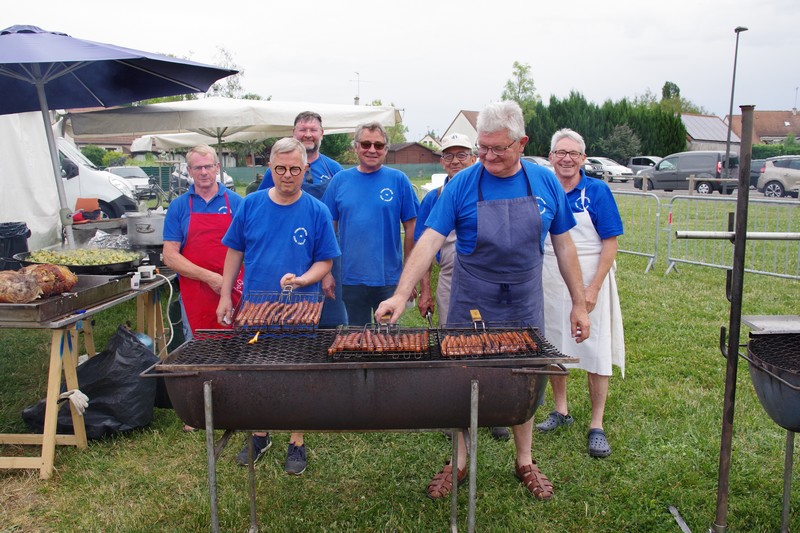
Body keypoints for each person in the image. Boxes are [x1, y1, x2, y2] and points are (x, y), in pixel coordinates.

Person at [375, 101, 590, 502]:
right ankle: (459, 460)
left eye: (498, 148)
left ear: (522, 143)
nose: (488, 157)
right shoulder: (462, 184)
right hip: (472, 295)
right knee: (461, 376)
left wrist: (579, 303)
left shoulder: (544, 183)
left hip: (524, 297)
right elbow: (431, 240)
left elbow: (563, 245)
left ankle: (524, 460)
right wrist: (402, 294)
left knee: (524, 377)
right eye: (482, 148)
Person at [217, 138, 341, 475]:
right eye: (281, 169)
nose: (288, 175)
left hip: (300, 309)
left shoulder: (317, 210)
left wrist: (303, 280)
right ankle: (260, 433)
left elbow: (325, 262)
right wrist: (226, 295)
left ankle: (296, 439)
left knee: (298, 374)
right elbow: (234, 252)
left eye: (295, 169)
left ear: (306, 170)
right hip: (255, 306)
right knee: (257, 372)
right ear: (270, 169)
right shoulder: (252, 204)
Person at [535, 129, 625, 458]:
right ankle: (560, 410)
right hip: (549, 276)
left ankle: (596, 424)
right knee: (554, 344)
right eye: (561, 152)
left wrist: (593, 288)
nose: (567, 159)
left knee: (595, 348)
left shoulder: (597, 191)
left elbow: (610, 243)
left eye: (574, 153)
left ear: (583, 159)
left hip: (589, 279)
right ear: (550, 156)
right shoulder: (542, 189)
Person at [414, 133, 510, 442]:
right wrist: (425, 291)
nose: (455, 161)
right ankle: (456, 412)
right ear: (441, 161)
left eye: (461, 154)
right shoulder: (433, 197)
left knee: (493, 343)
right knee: (451, 345)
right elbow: (424, 249)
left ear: (473, 157)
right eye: (448, 156)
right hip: (450, 280)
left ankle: (495, 412)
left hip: (490, 281)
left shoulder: (489, 191)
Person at [322, 121, 419, 326]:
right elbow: (327, 231)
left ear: (386, 149)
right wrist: (327, 272)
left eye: (379, 145)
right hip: (351, 278)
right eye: (366, 144)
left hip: (389, 278)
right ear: (355, 147)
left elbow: (412, 228)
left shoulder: (398, 180)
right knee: (358, 338)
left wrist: (409, 276)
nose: (372, 150)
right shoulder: (339, 181)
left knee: (389, 339)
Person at [259, 111, 347, 327]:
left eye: (313, 130)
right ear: (294, 133)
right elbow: (264, 208)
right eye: (303, 130)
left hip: (326, 248)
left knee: (329, 314)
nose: (308, 134)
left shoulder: (334, 169)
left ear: (322, 134)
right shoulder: (276, 169)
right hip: (289, 249)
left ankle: (326, 353)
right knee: (288, 308)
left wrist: (328, 271)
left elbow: (342, 214)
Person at [163, 144, 244, 337]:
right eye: (198, 168)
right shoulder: (178, 206)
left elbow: (250, 248)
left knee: (239, 346)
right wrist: (209, 278)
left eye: (208, 166)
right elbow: (169, 255)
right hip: (195, 290)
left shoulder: (237, 203)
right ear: (189, 171)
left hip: (234, 288)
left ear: (217, 167)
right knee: (198, 348)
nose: (204, 172)